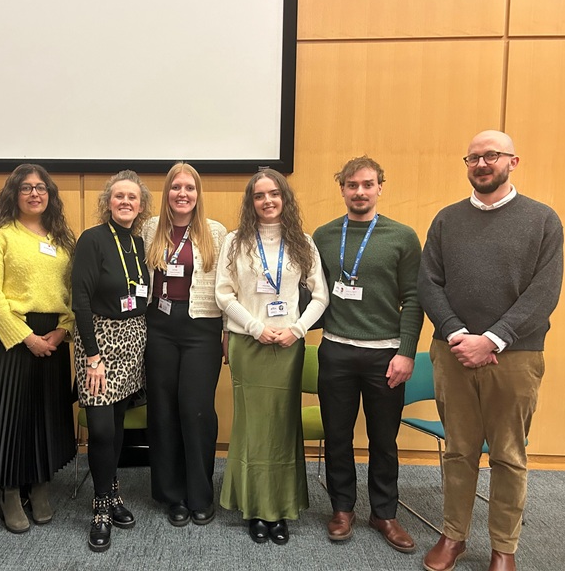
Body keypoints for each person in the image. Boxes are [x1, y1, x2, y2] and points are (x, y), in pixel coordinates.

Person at [418, 130, 563, 571]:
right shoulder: (446, 220)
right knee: (459, 451)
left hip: (514, 356)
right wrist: (458, 334)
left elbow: (544, 292)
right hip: (454, 351)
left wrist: (493, 338)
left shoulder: (543, 220)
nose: (482, 164)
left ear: (512, 162)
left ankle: (504, 547)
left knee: (508, 454)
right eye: (474, 158)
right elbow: (429, 283)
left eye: (492, 156)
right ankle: (453, 536)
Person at [312, 156, 423, 553]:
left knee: (384, 440)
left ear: (380, 187)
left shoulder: (403, 236)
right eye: (352, 185)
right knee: (338, 436)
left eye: (367, 184)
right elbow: (313, 296)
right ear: (341, 188)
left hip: (385, 356)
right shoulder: (323, 236)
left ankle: (384, 513)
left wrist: (406, 352)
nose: (360, 191)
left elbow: (414, 299)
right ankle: (342, 508)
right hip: (337, 351)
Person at [215, 167, 328, 545]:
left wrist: (295, 330)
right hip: (250, 344)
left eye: (274, 194)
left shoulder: (303, 242)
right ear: (251, 201)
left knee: (281, 427)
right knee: (252, 427)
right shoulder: (235, 242)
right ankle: (253, 508)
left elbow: (320, 296)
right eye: (260, 195)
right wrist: (254, 327)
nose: (267, 201)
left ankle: (279, 510)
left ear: (285, 198)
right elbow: (223, 295)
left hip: (286, 346)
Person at [0, 164, 77, 533]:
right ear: (13, 194)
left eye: (42, 188)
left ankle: (40, 484)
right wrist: (25, 336)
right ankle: (11, 492)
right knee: (11, 418)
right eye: (27, 188)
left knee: (47, 415)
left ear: (50, 195)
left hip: (53, 336)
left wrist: (63, 331)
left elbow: (73, 293)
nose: (35, 194)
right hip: (8, 337)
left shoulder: (63, 239)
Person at [141, 162, 227, 527]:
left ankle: (200, 494)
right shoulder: (150, 229)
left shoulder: (216, 232)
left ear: (198, 194)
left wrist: (226, 331)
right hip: (159, 326)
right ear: (167, 193)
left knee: (196, 411)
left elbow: (227, 284)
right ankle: (171, 494)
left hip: (202, 329)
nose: (182, 193)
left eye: (189, 188)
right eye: (176, 187)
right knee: (162, 411)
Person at [71, 169, 152, 552]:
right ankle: (100, 506)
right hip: (98, 342)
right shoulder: (93, 239)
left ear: (141, 204)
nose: (125, 202)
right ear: (108, 201)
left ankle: (113, 490)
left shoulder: (138, 242)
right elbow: (81, 300)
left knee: (118, 424)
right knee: (101, 428)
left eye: (132, 197)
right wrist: (92, 357)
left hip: (133, 337)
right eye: (119, 196)